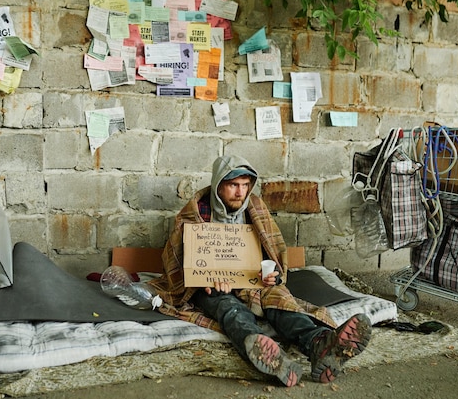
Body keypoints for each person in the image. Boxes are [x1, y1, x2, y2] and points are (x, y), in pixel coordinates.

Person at [148, 155, 371, 387]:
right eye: (234, 185)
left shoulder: (254, 208)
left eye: (245, 186)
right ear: (218, 185)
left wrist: (272, 272)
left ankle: (320, 344)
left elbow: (271, 251)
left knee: (281, 303)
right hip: (213, 287)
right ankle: (268, 355)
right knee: (229, 309)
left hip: (252, 281)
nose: (240, 192)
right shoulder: (196, 212)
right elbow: (179, 261)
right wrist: (204, 280)